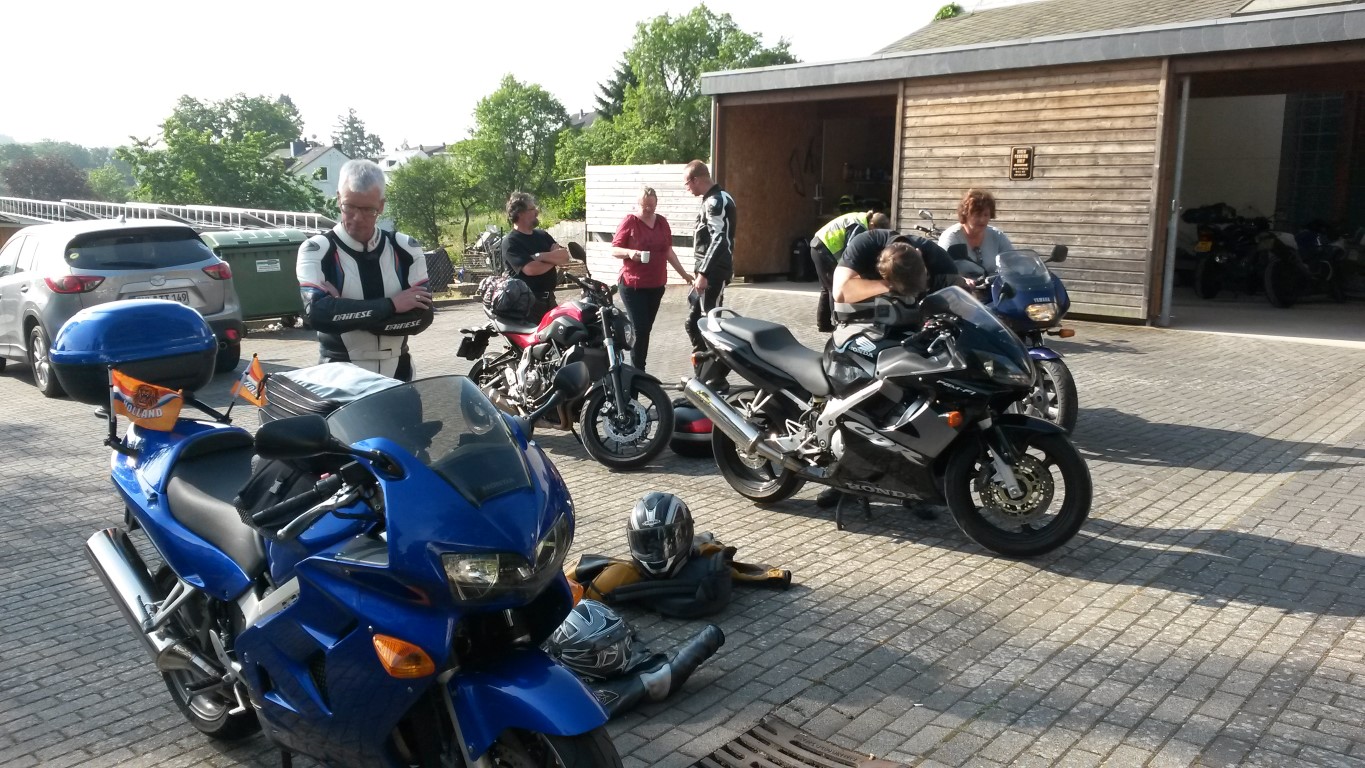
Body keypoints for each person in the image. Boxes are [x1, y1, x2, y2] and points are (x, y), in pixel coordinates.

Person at [296, 158, 433, 381]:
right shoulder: (316, 250)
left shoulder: (406, 248)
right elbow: (318, 315)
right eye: (349, 207)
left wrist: (345, 311)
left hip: (400, 375)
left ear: (381, 206)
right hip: (340, 379)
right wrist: (392, 305)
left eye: (369, 209)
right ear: (338, 199)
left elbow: (422, 318)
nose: (357, 218)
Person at [610, 186, 693, 372]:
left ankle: (638, 367)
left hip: (656, 285)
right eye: (644, 206)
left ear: (656, 203)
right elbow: (614, 249)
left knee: (645, 329)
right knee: (639, 329)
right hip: (633, 285)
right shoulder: (630, 221)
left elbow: (668, 252)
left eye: (651, 205)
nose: (648, 209)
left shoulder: (662, 222)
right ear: (638, 204)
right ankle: (638, 370)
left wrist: (685, 275)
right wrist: (629, 253)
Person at [830, 228, 961, 324]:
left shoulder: (939, 260)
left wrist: (963, 285)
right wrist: (891, 286)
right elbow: (840, 293)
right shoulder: (865, 243)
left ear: (919, 254)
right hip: (861, 324)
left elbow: (960, 300)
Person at [683, 160, 736, 388]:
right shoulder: (713, 199)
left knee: (708, 324)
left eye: (687, 183)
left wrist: (704, 272)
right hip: (708, 270)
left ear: (695, 179)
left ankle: (714, 377)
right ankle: (705, 374)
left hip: (713, 272)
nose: (687, 188)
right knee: (695, 322)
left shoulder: (716, 201)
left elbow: (719, 239)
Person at [810, 210, 890, 331]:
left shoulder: (861, 220)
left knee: (827, 288)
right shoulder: (859, 226)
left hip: (818, 246)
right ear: (872, 225)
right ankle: (839, 325)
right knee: (835, 287)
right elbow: (851, 251)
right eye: (876, 231)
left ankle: (823, 325)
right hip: (822, 248)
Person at [502, 192, 571, 322]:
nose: (537, 212)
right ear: (520, 213)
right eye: (532, 208)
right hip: (528, 305)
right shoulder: (511, 241)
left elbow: (565, 257)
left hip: (550, 300)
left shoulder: (542, 235)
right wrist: (553, 258)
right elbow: (531, 269)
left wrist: (540, 256)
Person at [938, 188, 1015, 280]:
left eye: (986, 215)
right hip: (961, 288)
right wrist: (962, 280)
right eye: (977, 215)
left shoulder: (997, 236)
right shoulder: (951, 238)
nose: (982, 220)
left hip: (993, 287)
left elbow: (1013, 262)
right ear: (965, 214)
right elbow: (941, 272)